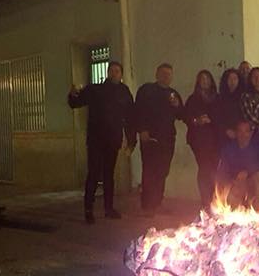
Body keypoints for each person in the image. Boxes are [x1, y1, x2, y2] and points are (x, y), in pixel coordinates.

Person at [67, 61, 135, 224]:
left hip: (113, 139)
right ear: (107, 72)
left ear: (121, 74)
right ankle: (88, 209)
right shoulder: (95, 89)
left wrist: (131, 140)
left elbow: (130, 116)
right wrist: (72, 95)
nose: (114, 73)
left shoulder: (124, 92)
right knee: (93, 173)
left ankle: (108, 208)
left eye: (117, 71)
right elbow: (75, 103)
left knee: (109, 174)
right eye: (112, 70)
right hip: (96, 139)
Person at [134, 63, 184, 216]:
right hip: (150, 137)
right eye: (163, 73)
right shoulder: (146, 90)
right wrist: (142, 130)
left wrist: (177, 105)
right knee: (149, 172)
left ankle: (158, 202)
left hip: (167, 139)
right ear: (156, 74)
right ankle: (147, 206)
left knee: (163, 171)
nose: (166, 76)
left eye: (169, 74)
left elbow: (181, 115)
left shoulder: (173, 94)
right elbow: (137, 111)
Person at [184, 69, 220, 207]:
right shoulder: (193, 99)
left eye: (207, 79)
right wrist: (196, 121)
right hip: (199, 140)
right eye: (202, 79)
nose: (205, 81)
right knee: (205, 168)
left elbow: (222, 117)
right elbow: (186, 117)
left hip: (215, 139)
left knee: (215, 169)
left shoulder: (217, 98)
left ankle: (215, 199)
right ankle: (206, 200)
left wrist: (212, 120)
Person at [217, 120, 259, 209]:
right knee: (229, 199)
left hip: (253, 181)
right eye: (240, 131)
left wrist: (248, 172)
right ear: (236, 132)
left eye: (246, 131)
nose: (243, 135)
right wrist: (231, 182)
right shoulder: (228, 148)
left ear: (251, 133)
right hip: (236, 183)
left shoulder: (258, 146)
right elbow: (222, 171)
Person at [214, 68, 244, 142]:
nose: (232, 81)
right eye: (230, 78)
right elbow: (217, 117)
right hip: (224, 135)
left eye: (235, 79)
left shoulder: (243, 97)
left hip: (241, 134)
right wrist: (226, 130)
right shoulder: (219, 98)